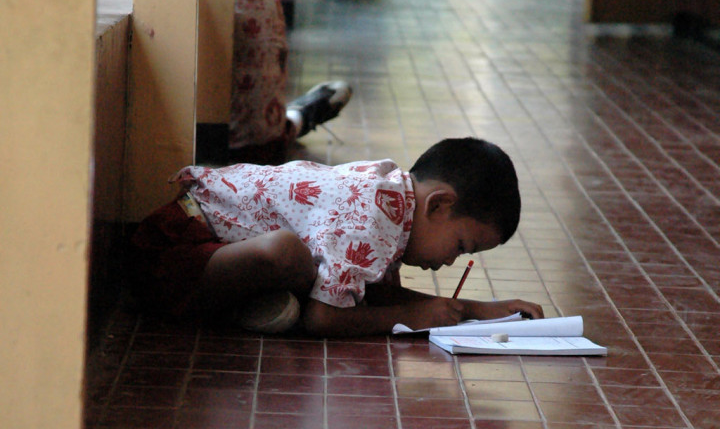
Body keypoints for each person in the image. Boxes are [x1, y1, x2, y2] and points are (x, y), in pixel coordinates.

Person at [129, 136, 544, 338]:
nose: (450, 262)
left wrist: (482, 311)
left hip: (206, 258)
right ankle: (233, 311)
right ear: (437, 206)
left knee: (320, 275)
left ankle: (245, 306)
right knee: (285, 252)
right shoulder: (371, 214)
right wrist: (412, 318)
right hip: (171, 252)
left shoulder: (395, 202)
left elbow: (364, 295)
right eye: (460, 246)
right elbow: (324, 317)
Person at [214, 0, 351, 165]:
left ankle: (304, 111)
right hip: (265, 148)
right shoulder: (269, 5)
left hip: (212, 146)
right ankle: (307, 111)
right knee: (337, 91)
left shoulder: (192, 1)